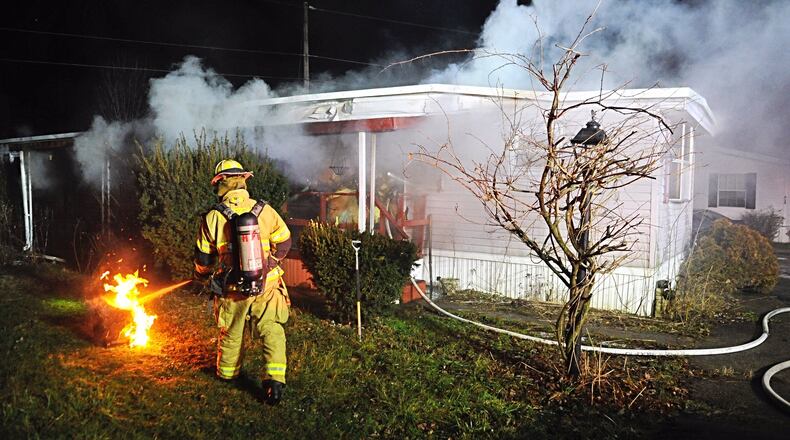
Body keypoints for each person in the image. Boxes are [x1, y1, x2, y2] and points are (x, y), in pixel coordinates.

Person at [193, 159, 292, 405]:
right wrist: (270, 264)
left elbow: (203, 257)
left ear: (220, 183)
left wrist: (202, 274)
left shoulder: (213, 217)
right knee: (271, 328)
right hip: (267, 283)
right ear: (244, 180)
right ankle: (275, 381)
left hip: (233, 288)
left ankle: (228, 374)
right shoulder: (264, 210)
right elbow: (285, 241)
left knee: (231, 330)